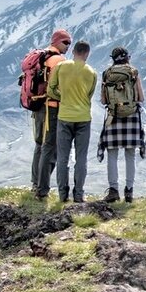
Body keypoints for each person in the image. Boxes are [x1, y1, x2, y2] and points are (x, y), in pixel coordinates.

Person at [47, 39, 96, 203]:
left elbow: (51, 89)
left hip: (64, 117)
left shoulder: (61, 67)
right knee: (81, 158)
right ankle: (79, 194)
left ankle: (62, 194)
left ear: (73, 52)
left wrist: (63, 97)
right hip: (83, 118)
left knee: (62, 157)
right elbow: (89, 95)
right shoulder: (92, 73)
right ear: (87, 54)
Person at [97, 46, 146, 203]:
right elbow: (141, 97)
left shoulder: (107, 73)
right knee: (130, 155)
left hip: (113, 116)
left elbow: (104, 100)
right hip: (132, 117)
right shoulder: (133, 72)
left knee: (112, 154)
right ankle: (129, 191)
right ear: (127, 58)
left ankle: (113, 190)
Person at [31, 28, 71, 197]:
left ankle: (35, 183)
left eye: (69, 42)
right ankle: (42, 186)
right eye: (65, 42)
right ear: (56, 41)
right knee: (50, 147)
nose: (68, 46)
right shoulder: (58, 61)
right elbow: (59, 86)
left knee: (40, 145)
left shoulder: (43, 57)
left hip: (38, 106)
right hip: (51, 107)